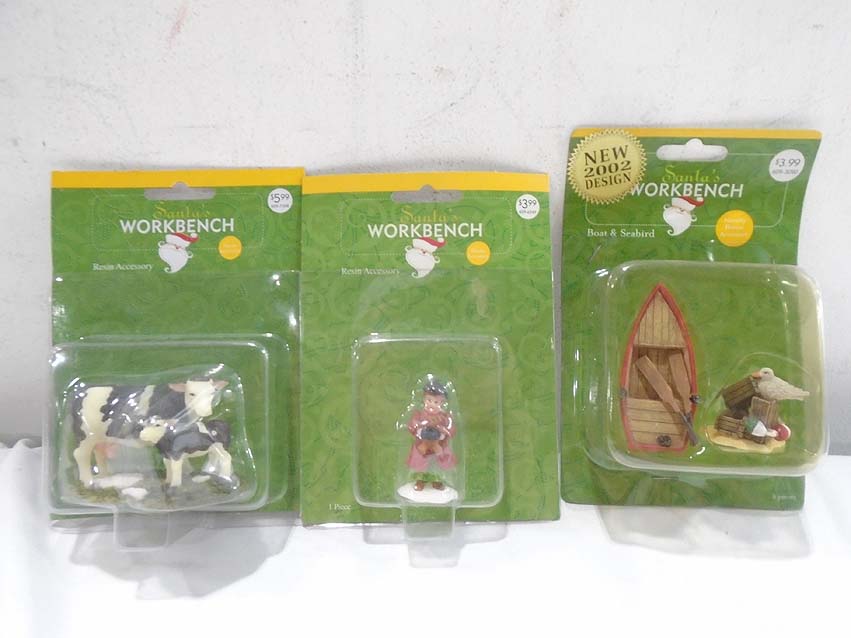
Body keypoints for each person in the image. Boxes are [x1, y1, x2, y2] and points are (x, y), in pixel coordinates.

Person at [405, 378, 457, 490]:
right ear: (424, 399)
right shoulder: (419, 414)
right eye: (429, 400)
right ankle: (420, 480)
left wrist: (442, 430)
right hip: (422, 445)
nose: (432, 404)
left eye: (436, 402)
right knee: (420, 463)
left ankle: (436, 481)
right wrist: (420, 427)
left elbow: (451, 430)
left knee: (436, 464)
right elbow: (412, 426)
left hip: (439, 445)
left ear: (442, 403)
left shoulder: (445, 417)